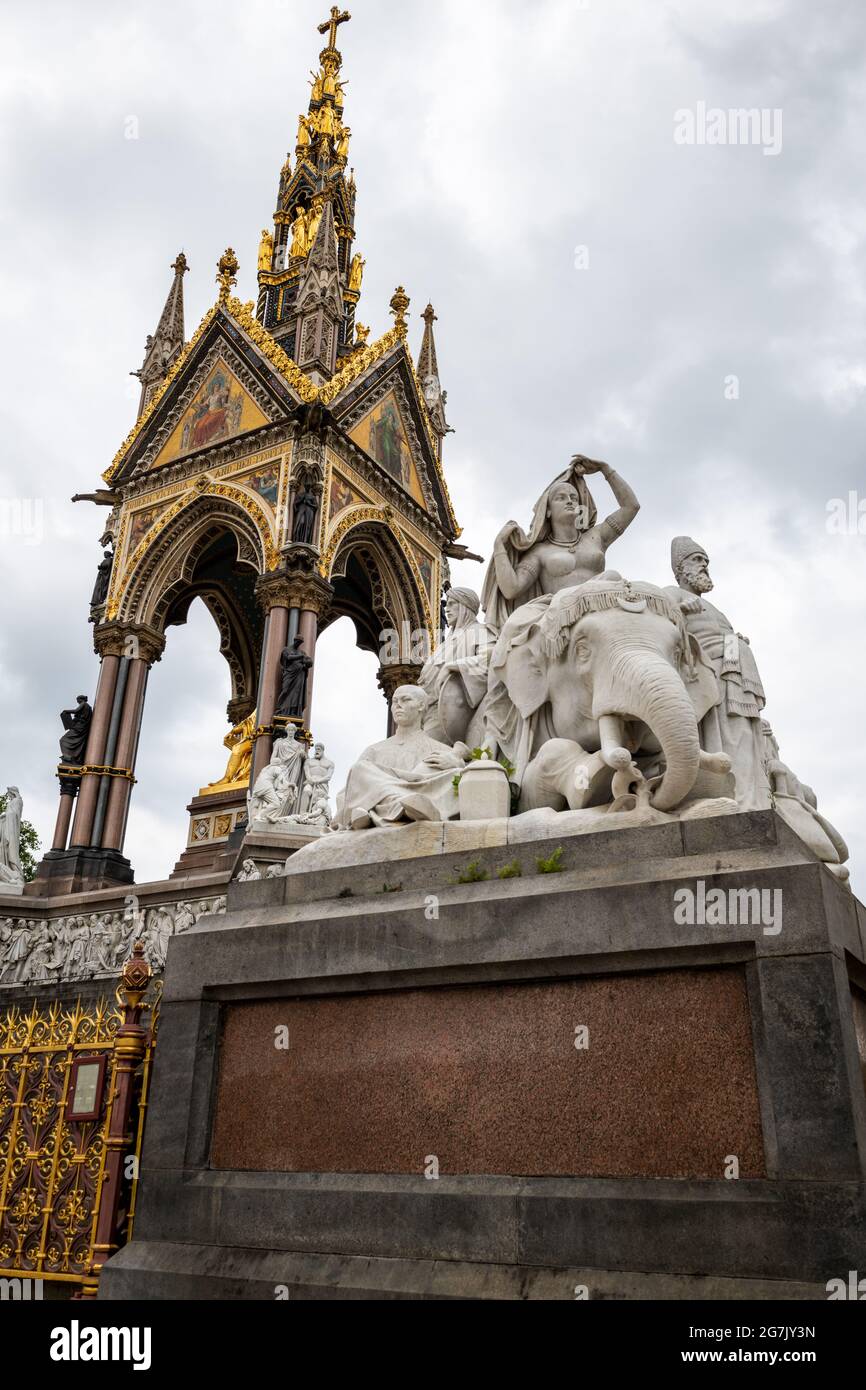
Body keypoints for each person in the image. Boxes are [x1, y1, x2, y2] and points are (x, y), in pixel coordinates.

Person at [665, 537, 770, 811]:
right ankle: (732, 798)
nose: (704, 566)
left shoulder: (717, 609)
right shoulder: (671, 593)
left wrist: (736, 640)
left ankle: (755, 801)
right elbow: (656, 620)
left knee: (746, 738)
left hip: (737, 678)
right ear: (680, 567)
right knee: (726, 737)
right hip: (710, 675)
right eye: (697, 560)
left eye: (706, 561)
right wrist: (677, 610)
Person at [481, 456, 639, 630]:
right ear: (547, 510)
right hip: (564, 616)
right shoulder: (540, 552)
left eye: (573, 497)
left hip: (601, 608)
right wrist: (499, 547)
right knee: (611, 577)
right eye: (561, 498)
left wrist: (605, 468)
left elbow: (630, 507)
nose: (570, 501)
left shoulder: (597, 536)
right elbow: (511, 589)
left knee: (612, 577)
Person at [337, 686, 464, 830]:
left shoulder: (442, 751)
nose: (398, 705)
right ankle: (398, 806)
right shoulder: (374, 750)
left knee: (456, 774)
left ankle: (379, 813)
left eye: (406, 700)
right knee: (359, 769)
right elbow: (345, 794)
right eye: (395, 701)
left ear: (421, 706)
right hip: (412, 803)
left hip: (420, 798)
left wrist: (458, 764)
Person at [418, 588, 495, 746]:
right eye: (447, 604)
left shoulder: (479, 631)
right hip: (426, 711)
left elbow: (491, 660)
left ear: (465, 607)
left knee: (423, 752)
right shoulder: (446, 642)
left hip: (447, 714)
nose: (446, 608)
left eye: (452, 604)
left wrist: (453, 666)